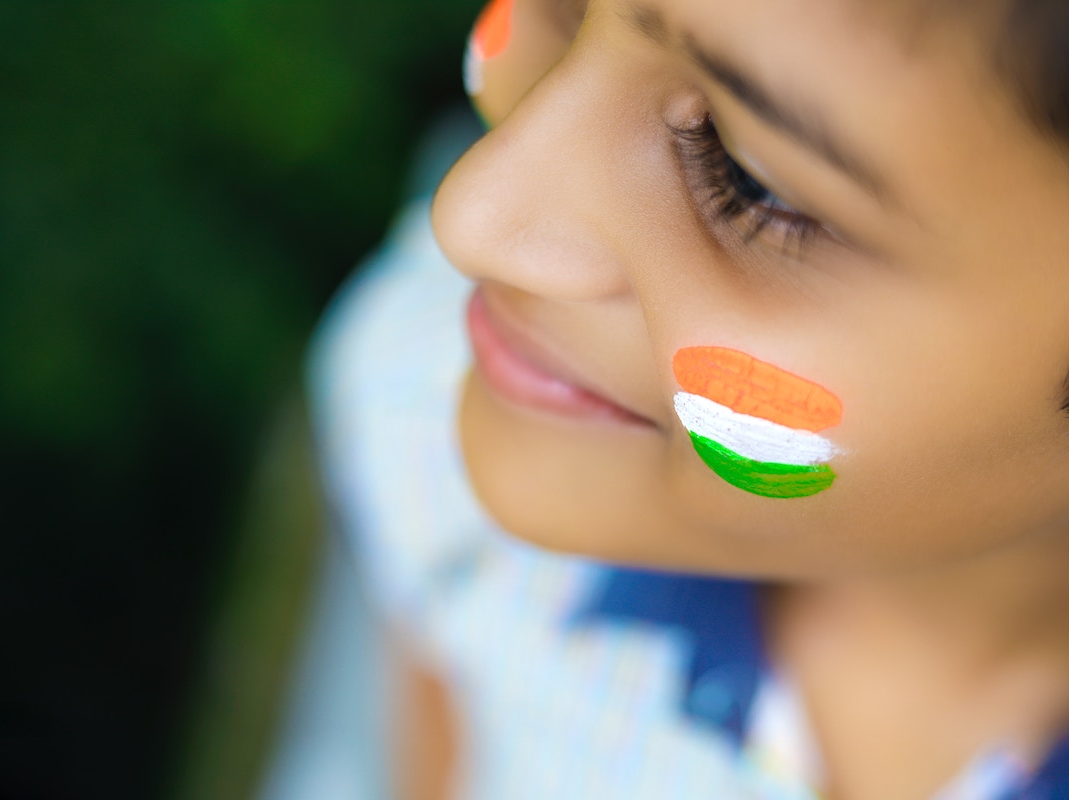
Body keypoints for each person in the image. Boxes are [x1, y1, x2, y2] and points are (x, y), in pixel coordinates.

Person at [298, 0, 1069, 797]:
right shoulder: (431, 391)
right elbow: (445, 686)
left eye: (743, 176)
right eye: (563, 12)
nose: (472, 218)